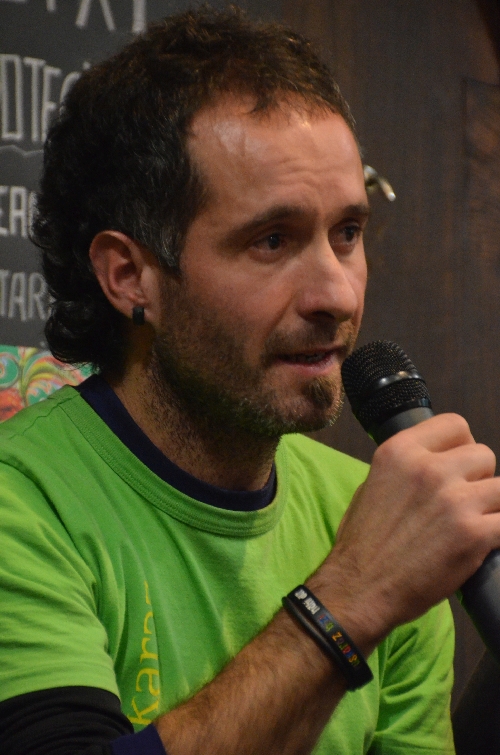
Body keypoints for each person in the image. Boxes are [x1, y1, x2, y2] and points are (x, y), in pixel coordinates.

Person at [1, 6, 499, 755]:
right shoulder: (23, 503)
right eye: (272, 240)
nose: (337, 294)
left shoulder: (376, 513)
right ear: (129, 275)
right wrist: (352, 595)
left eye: (348, 233)